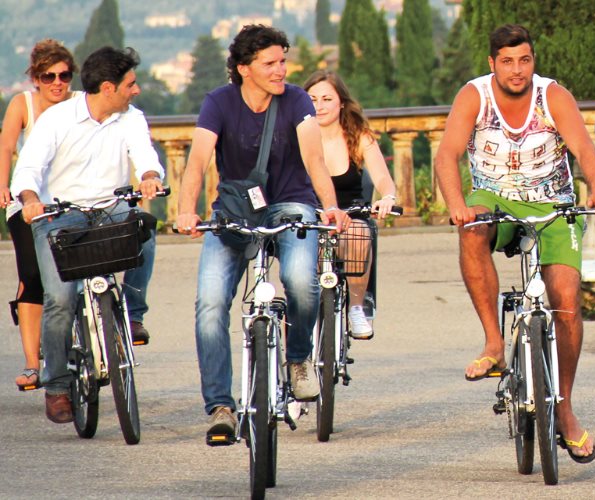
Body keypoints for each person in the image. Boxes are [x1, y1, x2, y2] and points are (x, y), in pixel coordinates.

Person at [434, 24, 595, 462]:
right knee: (472, 230)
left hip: (553, 203)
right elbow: (446, 155)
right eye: (508, 61)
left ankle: (566, 408)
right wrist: (458, 204)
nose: (518, 71)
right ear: (492, 63)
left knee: (567, 302)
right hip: (494, 200)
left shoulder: (553, 95)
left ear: (533, 61)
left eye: (525, 60)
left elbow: (585, 150)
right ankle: (495, 344)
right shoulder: (474, 95)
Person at [175, 25, 349, 442]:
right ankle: (220, 406)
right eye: (270, 63)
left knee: (302, 283)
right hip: (235, 209)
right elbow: (198, 161)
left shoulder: (296, 101)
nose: (281, 70)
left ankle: (300, 358)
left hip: (291, 204)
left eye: (283, 61)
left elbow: (313, 157)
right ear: (243, 68)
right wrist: (185, 210)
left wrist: (329, 205)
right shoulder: (218, 102)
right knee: (211, 303)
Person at [10, 46, 165, 424]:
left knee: (144, 230)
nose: (137, 90)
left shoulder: (131, 118)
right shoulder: (57, 120)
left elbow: (145, 156)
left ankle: (132, 312)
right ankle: (58, 387)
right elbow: (28, 170)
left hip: (110, 208)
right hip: (60, 215)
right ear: (109, 88)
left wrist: (149, 177)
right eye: (131, 84)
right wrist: (31, 201)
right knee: (60, 299)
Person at [0, 39, 80, 391]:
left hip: (71, 200)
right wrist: (3, 186)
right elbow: (6, 146)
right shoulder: (24, 105)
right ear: (36, 78)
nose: (57, 83)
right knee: (33, 276)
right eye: (49, 76)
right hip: (29, 203)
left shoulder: (80, 104)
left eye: (64, 75)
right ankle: (34, 364)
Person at [303, 70, 397, 339]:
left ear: (341, 102)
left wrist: (388, 197)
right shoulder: (296, 136)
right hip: (311, 216)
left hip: (351, 214)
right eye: (312, 99)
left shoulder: (357, 135)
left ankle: (357, 307)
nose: (319, 106)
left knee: (359, 234)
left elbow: (382, 177)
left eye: (326, 99)